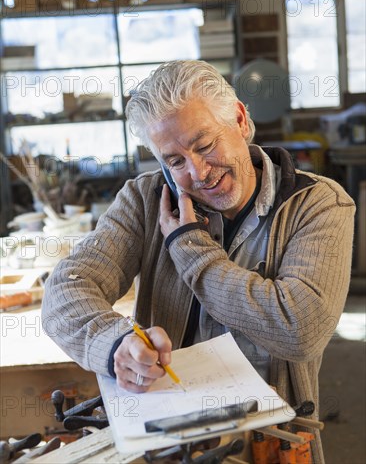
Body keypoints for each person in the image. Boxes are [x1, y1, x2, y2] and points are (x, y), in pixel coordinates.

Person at [42, 60, 355, 463]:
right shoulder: (144, 199)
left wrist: (188, 245)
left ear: (240, 120)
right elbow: (66, 289)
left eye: (205, 145)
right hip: (166, 444)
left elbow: (300, 329)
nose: (199, 172)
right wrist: (115, 343)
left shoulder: (318, 204)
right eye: (174, 161)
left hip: (269, 444)